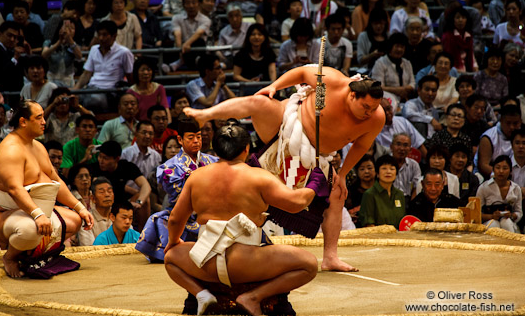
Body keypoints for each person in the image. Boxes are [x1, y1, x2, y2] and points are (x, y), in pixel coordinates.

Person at [185, 67, 386, 272]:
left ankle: (330, 257)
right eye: (365, 107)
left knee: (337, 194)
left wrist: (342, 175)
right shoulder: (332, 82)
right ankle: (205, 114)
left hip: (315, 157)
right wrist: (274, 86)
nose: (369, 113)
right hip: (285, 127)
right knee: (261, 102)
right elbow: (300, 73)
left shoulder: (376, 118)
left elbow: (361, 145)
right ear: (352, 95)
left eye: (374, 108)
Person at [163, 121, 319, 316]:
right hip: (248, 263)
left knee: (170, 258)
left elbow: (175, 220)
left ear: (216, 149)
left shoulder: (196, 177)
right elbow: (297, 203)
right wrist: (314, 184)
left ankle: (201, 294)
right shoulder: (259, 177)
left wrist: (173, 242)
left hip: (205, 261)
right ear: (246, 149)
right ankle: (253, 297)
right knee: (309, 264)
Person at [0, 100, 93, 278]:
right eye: (39, 117)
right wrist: (38, 214)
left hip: (38, 210)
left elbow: (55, 180)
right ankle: (10, 257)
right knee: (29, 231)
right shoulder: (10, 150)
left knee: (75, 221)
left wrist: (80, 207)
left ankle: (33, 254)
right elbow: (15, 189)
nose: (44, 121)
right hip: (8, 212)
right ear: (24, 122)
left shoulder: (38, 146)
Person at [136, 115, 219, 261]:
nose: (196, 141)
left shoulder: (214, 161)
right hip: (184, 217)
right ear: (180, 140)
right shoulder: (168, 168)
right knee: (160, 220)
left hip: (213, 215)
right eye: (191, 137)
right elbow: (180, 199)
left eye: (198, 137)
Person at [74, 20, 134, 114]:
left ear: (114, 36)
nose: (101, 38)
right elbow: (86, 73)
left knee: (94, 101)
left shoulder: (124, 52)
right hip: (91, 88)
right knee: (73, 100)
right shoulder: (94, 49)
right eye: (99, 35)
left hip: (110, 92)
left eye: (105, 35)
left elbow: (130, 76)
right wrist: (75, 91)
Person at [91, 140, 151, 231]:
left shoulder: (126, 166)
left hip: (123, 203)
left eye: (105, 158)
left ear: (117, 159)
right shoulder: (95, 169)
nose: (101, 161)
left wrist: (139, 202)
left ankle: (143, 233)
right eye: (100, 157)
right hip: (104, 204)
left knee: (145, 199)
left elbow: (145, 185)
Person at [475, 104, 522, 179]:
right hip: (491, 178)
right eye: (508, 123)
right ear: (501, 121)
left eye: (515, 123)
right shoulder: (488, 137)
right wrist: (504, 175)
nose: (512, 127)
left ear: (521, 121)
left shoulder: (522, 136)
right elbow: (483, 166)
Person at [477, 155, 522, 233]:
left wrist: (511, 215)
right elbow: (477, 213)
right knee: (494, 224)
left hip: (509, 223)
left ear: (510, 171)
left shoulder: (516, 188)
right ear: (493, 170)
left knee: (506, 222)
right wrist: (491, 216)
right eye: (498, 168)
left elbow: (519, 212)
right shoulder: (484, 187)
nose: (501, 171)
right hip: (489, 223)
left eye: (505, 168)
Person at [168, 0, 211, 71]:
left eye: (194, 2)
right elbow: (177, 35)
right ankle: (181, 60)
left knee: (199, 41)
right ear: (183, 5)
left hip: (198, 50)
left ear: (199, 4)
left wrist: (186, 45)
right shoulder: (176, 18)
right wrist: (181, 51)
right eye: (188, 3)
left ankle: (180, 62)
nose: (191, 6)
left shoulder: (206, 20)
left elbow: (199, 33)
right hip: (181, 49)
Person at [359, 154, 405, 229]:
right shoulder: (369, 194)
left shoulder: (399, 194)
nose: (388, 172)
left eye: (392, 169)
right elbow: (368, 224)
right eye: (384, 168)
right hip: (377, 239)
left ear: (396, 173)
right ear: (377, 173)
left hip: (399, 238)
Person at [371, 32, 415, 103]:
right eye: (397, 46)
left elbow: (412, 84)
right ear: (391, 47)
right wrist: (397, 90)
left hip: (406, 99)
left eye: (402, 47)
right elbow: (378, 87)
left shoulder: (407, 63)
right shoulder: (380, 63)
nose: (399, 49)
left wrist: (404, 89)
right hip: (386, 100)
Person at [42, 18, 83, 88]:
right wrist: (59, 42)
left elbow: (79, 56)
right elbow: (44, 55)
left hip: (68, 81)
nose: (68, 30)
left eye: (72, 28)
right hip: (51, 81)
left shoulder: (75, 46)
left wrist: (69, 39)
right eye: (66, 28)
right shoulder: (48, 43)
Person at [127, 58, 169, 122]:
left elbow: (165, 110)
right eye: (142, 70)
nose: (146, 73)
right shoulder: (131, 92)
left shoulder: (159, 88)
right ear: (136, 72)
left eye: (148, 70)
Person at [77, 176, 114, 246]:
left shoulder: (120, 216)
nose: (107, 195)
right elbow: (88, 248)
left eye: (110, 191)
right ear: (93, 198)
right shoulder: (87, 220)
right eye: (101, 192)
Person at [402, 75, 442, 139]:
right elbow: (408, 114)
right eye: (427, 89)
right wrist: (430, 119)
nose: (430, 93)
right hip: (413, 143)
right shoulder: (410, 104)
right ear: (419, 90)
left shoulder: (434, 111)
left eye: (433, 90)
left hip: (431, 143)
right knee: (420, 124)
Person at [442, 5, 477, 73]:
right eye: (457, 18)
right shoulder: (447, 36)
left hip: (466, 69)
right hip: (453, 70)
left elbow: (471, 54)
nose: (461, 20)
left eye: (463, 17)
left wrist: (475, 66)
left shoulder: (468, 35)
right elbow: (447, 57)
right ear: (453, 20)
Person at [0, 21, 27, 96]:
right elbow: (2, 73)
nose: (12, 39)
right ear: (0, 34)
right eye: (9, 35)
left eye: (15, 37)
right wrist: (15, 57)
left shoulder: (9, 51)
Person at [345, 154, 376, 227]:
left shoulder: (380, 189)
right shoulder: (351, 191)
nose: (366, 172)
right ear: (357, 171)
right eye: (362, 169)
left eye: (369, 168)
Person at [356, 8, 388, 73]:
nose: (379, 26)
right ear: (371, 23)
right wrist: (372, 55)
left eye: (381, 23)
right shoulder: (363, 36)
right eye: (376, 23)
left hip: (387, 70)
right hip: (368, 71)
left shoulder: (389, 36)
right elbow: (360, 60)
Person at [389, 133, 421, 198]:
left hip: (408, 201)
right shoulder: (384, 163)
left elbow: (416, 187)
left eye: (405, 145)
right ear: (391, 147)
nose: (402, 148)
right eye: (398, 144)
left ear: (410, 150)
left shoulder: (414, 165)